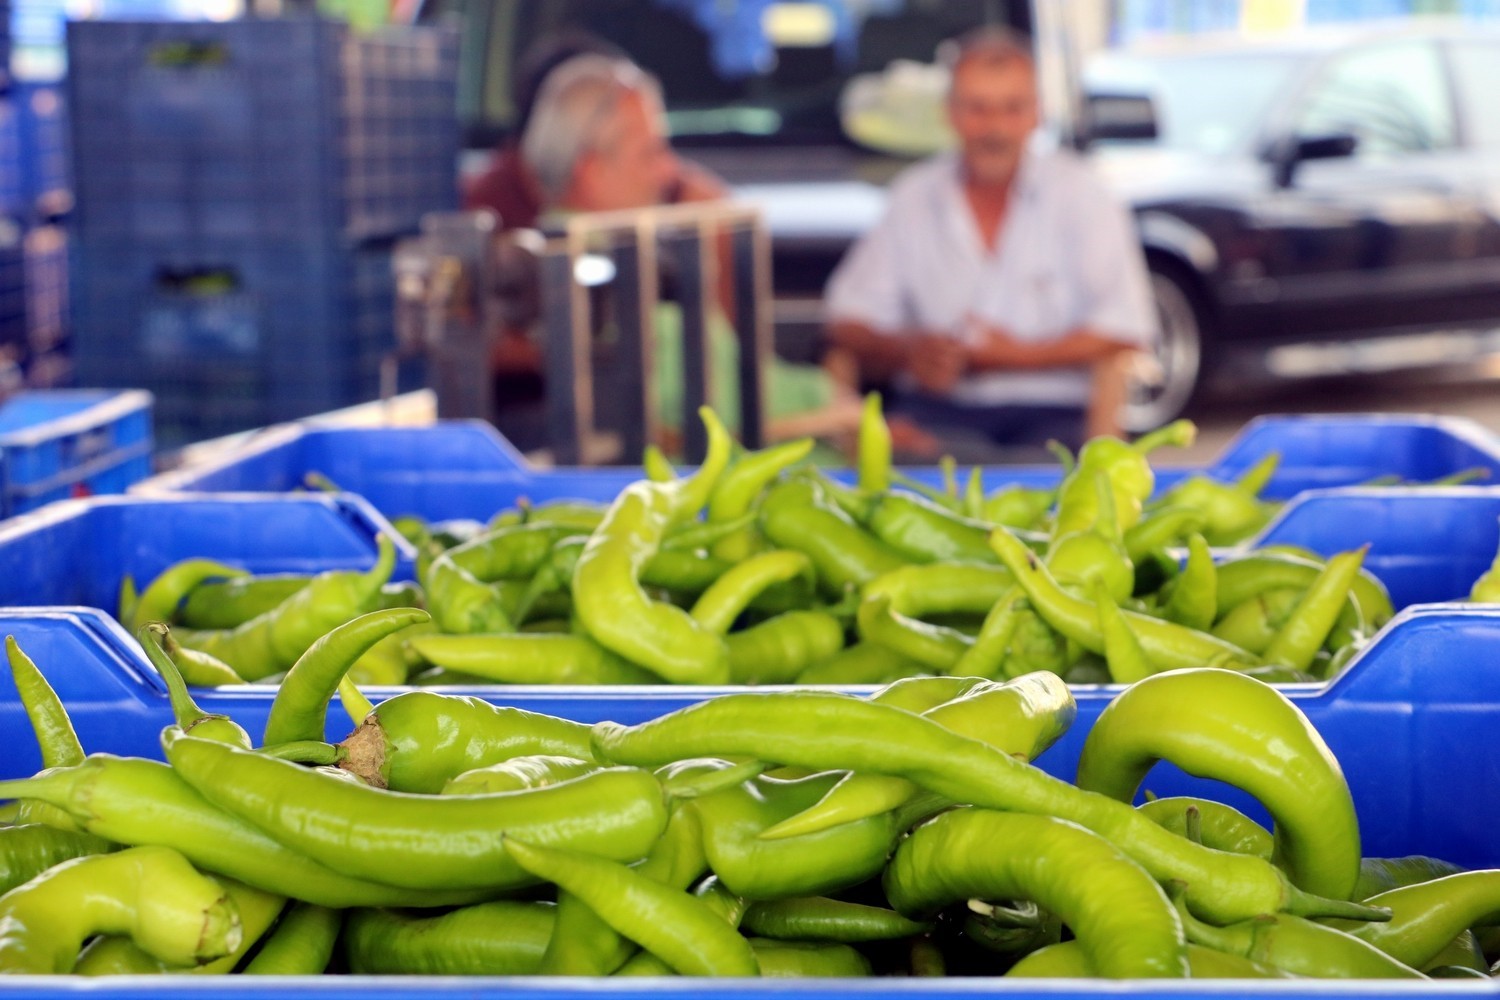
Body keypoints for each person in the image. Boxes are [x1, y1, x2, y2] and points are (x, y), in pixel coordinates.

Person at [823, 26, 1157, 456]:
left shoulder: (1084, 196)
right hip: (937, 412)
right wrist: (909, 352)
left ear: (1036, 113)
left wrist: (1012, 357)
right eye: (977, 109)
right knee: (916, 469)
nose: (994, 128)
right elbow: (846, 321)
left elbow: (1126, 329)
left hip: (1056, 415)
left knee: (1036, 478)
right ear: (950, 113)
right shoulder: (913, 196)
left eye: (1011, 108)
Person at [520, 53, 860, 454]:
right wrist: (835, 391)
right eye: (651, 153)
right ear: (591, 168)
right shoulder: (622, 277)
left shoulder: (559, 259)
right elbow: (730, 404)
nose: (669, 173)